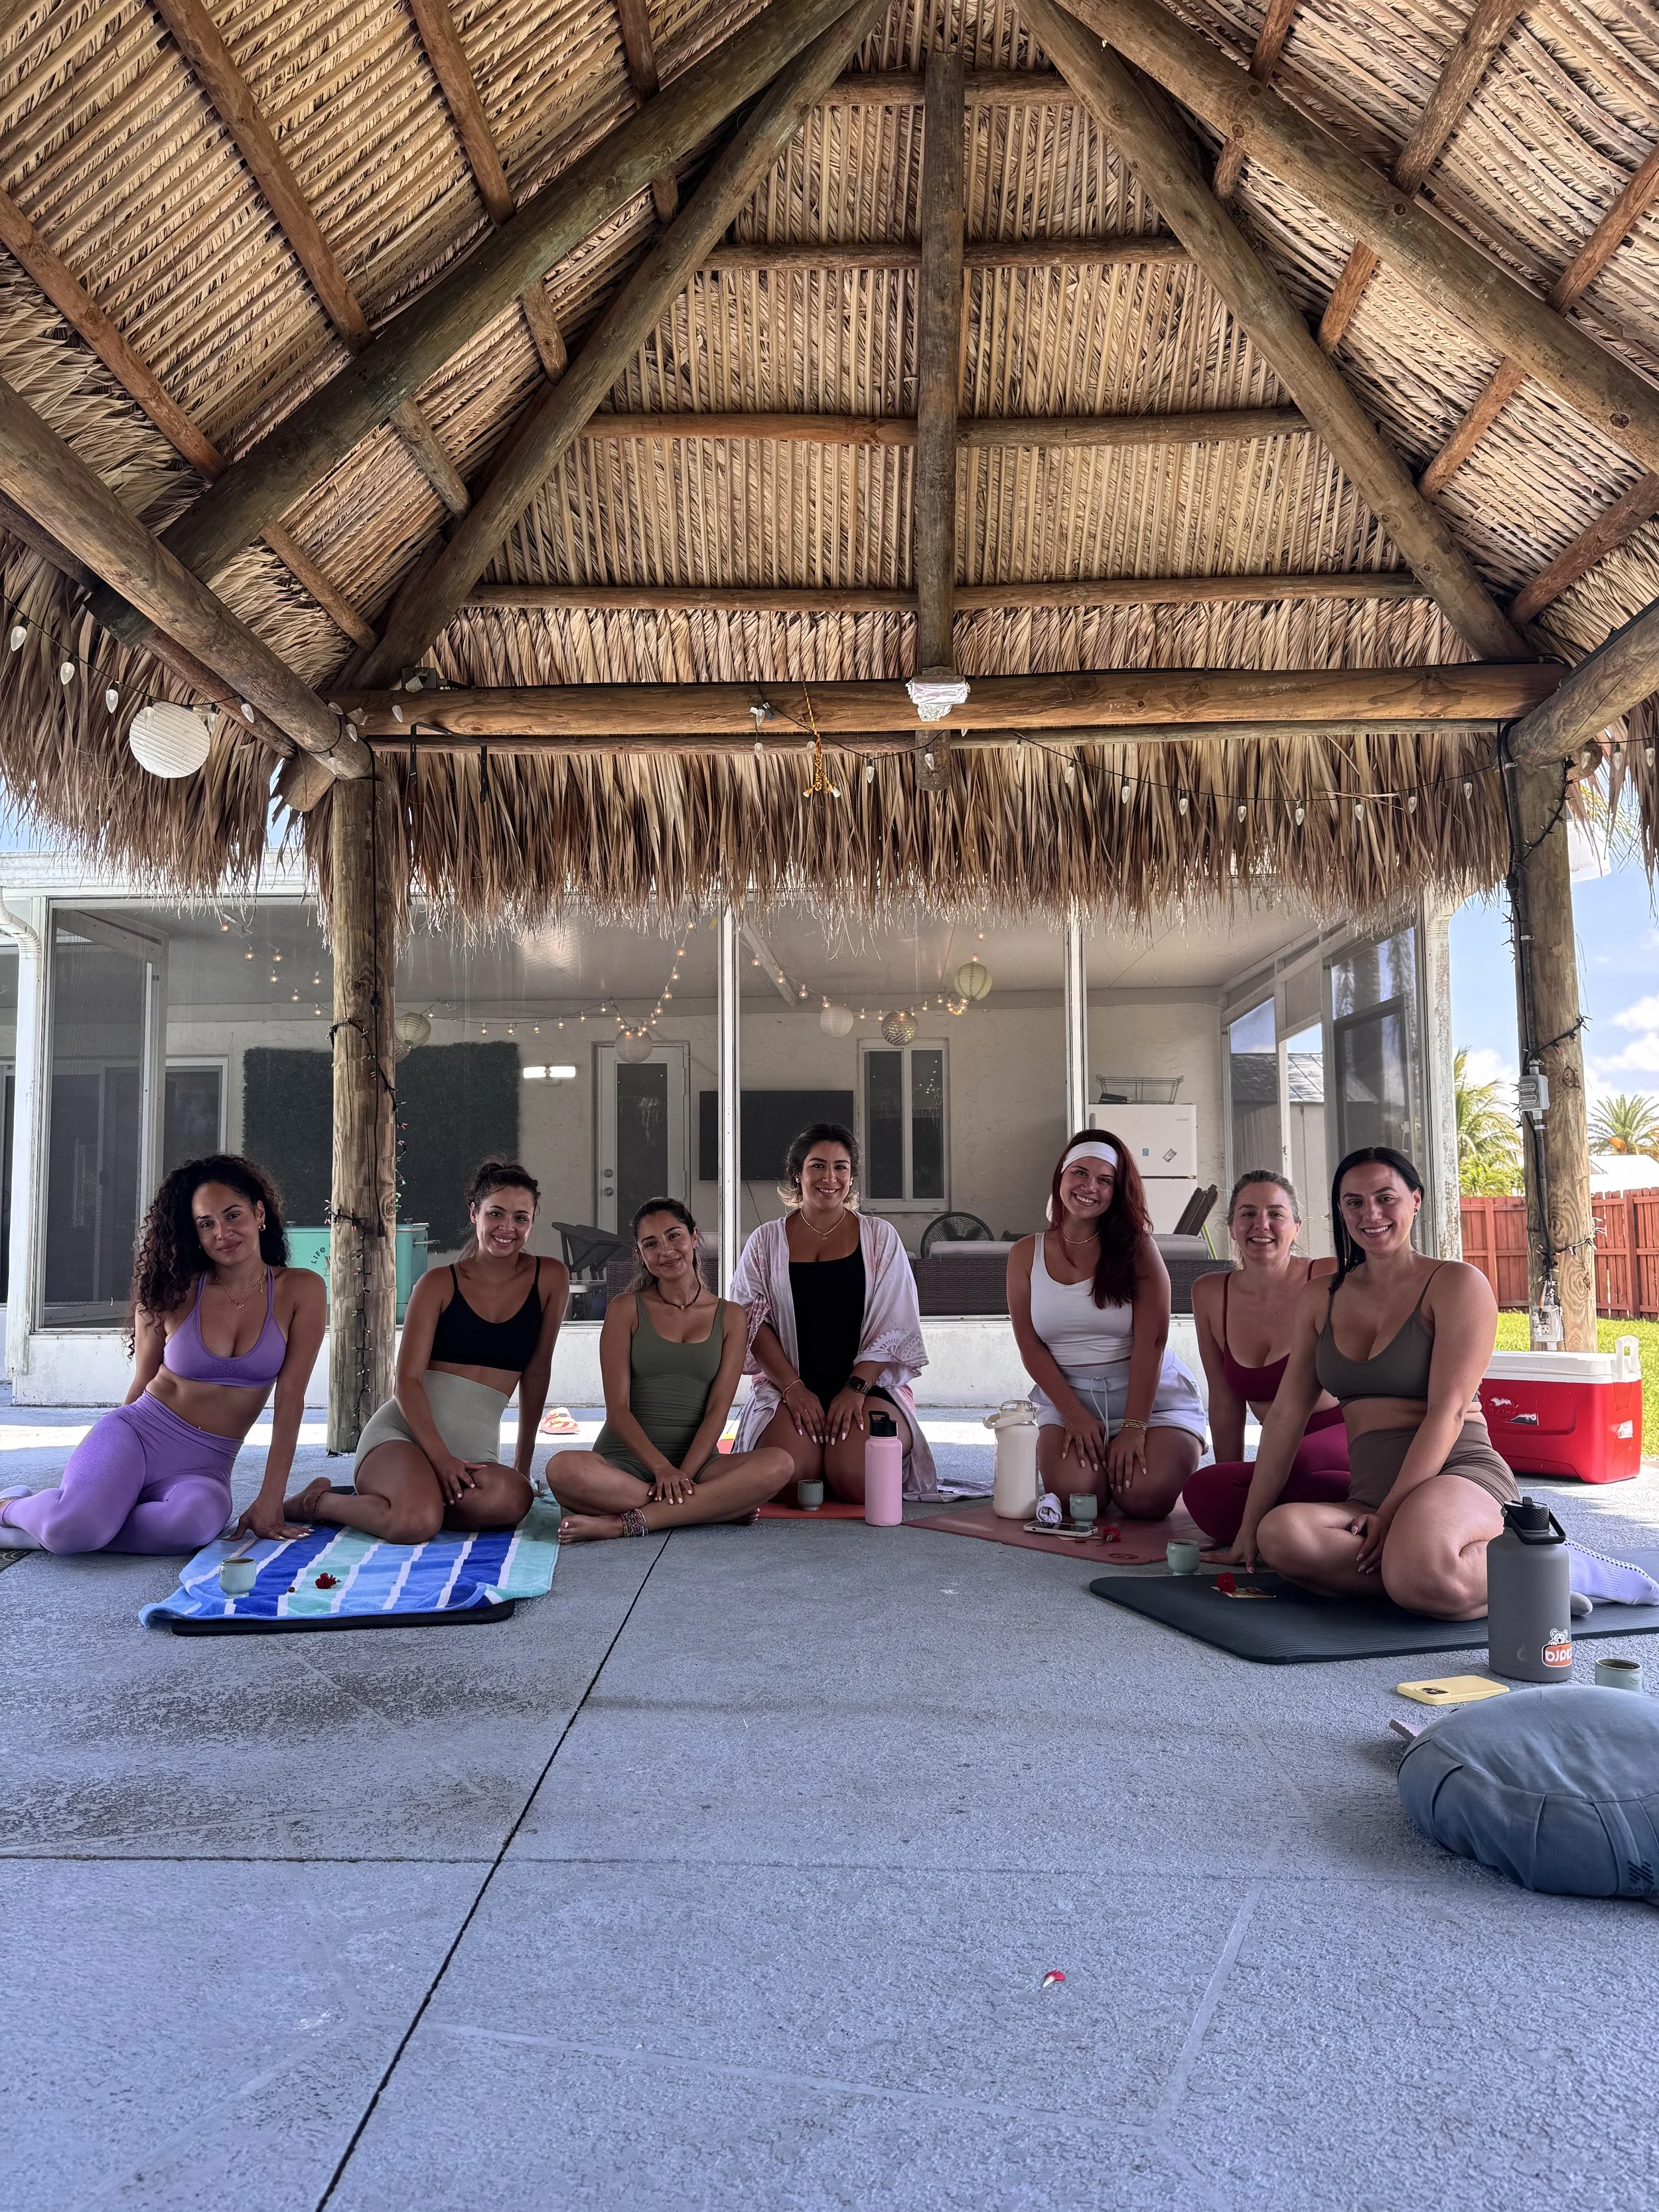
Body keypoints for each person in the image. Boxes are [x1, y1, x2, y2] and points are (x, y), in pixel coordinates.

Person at [1208, 1146, 1516, 1618]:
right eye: (1354, 1202)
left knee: (1421, 1567)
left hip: (1455, 1471)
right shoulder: (1320, 1297)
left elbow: (1449, 1412)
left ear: (1415, 1200)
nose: (1370, 1213)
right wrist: (1247, 1529)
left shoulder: (1458, 1283)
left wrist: (1390, 1511)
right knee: (1281, 1535)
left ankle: (1540, 1564)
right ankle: (1412, 1572)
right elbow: (1288, 1415)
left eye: (1385, 1197)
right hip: (1370, 1489)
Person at [0, 1155, 325, 1554]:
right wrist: (113, 1472)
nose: (222, 1232)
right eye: (206, 1224)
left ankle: (75, 1522)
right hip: (138, 1436)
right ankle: (13, 1508)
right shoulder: (171, 1288)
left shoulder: (302, 1290)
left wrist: (271, 1497)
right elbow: (143, 1379)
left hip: (206, 1467)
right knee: (75, 1530)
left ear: (259, 1214)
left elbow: (291, 1397)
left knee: (188, 1529)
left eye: (233, 1215)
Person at [285, 1161, 567, 1542]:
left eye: (521, 1218)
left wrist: (522, 1465)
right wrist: (440, 1458)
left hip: (471, 1451)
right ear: (474, 1213)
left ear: (532, 1221)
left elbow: (536, 1372)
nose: (507, 1228)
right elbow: (407, 1381)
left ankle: (408, 1498)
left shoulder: (549, 1277)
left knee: (513, 1500)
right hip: (404, 1435)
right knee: (415, 1524)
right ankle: (319, 1502)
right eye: (495, 1214)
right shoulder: (438, 1283)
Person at [548, 1198, 792, 1540]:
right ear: (641, 1254)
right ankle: (709, 1508)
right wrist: (662, 1470)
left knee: (780, 1463)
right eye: (651, 1244)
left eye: (673, 1236)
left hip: (699, 1466)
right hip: (625, 1463)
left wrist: (684, 1476)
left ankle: (625, 1524)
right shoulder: (626, 1309)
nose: (665, 1250)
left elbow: (718, 1409)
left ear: (693, 1237)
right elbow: (617, 1411)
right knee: (562, 1469)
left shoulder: (732, 1316)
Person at [729, 1122, 938, 1501]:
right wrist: (794, 1390)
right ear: (798, 1173)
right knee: (791, 1479)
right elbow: (751, 1323)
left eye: (840, 1167)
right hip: (788, 1389)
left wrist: (854, 1390)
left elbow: (895, 1324)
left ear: (852, 1175)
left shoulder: (880, 1237)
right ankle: (816, 1452)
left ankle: (837, 1455)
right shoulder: (764, 1241)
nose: (830, 1177)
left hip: (869, 1389)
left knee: (861, 1480)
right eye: (818, 1166)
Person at [1007, 1131, 1207, 1520]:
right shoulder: (1023, 1254)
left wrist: (1134, 1428)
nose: (1089, 1187)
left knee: (1143, 1499)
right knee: (1079, 1500)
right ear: (1060, 1178)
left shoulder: (1138, 1248)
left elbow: (1153, 1341)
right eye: (1079, 1174)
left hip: (1152, 1404)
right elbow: (1030, 1346)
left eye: (1104, 1181)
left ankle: (1161, 1449)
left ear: (1117, 1191)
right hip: (1071, 1401)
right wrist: (1074, 1416)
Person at [1183, 1172, 1348, 1544]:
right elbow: (1225, 1401)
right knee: (1205, 1489)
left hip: (1342, 1432)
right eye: (1248, 1213)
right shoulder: (1210, 1292)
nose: (1262, 1225)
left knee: (1301, 1466)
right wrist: (1233, 1474)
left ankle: (1302, 1519)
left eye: (1276, 1214)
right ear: (1231, 1227)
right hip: (1279, 1451)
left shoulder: (1328, 1275)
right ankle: (1314, 1525)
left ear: (1296, 1227)